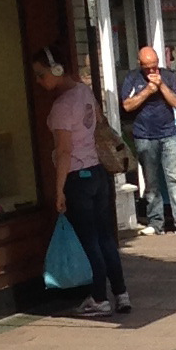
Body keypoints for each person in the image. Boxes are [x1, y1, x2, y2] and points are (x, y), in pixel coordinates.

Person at [34, 48, 128, 318]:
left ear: (56, 70)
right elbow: (99, 122)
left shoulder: (62, 106)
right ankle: (121, 293)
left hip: (77, 175)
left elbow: (64, 151)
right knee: (105, 237)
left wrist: (59, 189)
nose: (39, 82)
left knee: (90, 240)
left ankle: (99, 298)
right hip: (97, 172)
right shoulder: (84, 92)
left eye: (41, 75)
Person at [121, 42, 176, 233]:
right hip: (144, 135)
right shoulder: (132, 78)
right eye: (148, 67)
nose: (152, 70)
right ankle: (155, 223)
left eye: (154, 65)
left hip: (169, 133)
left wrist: (161, 87)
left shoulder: (168, 76)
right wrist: (147, 91)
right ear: (140, 64)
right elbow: (127, 106)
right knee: (151, 181)